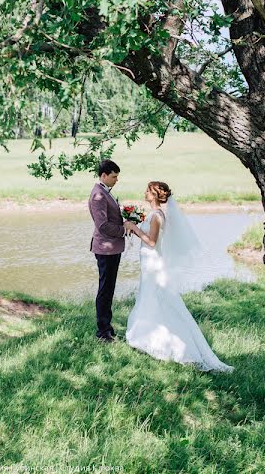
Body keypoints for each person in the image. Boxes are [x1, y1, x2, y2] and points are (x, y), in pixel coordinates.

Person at [124, 181, 233, 371]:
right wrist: (135, 227)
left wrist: (134, 227)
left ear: (156, 195)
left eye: (148, 191)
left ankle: (170, 342)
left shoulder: (157, 216)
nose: (145, 193)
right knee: (149, 297)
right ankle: (147, 335)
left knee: (158, 299)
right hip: (148, 262)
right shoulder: (153, 214)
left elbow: (151, 242)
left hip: (153, 263)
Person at [87, 159, 137, 342]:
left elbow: (111, 219)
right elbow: (103, 226)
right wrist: (124, 229)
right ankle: (103, 332)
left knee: (108, 289)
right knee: (105, 290)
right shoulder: (98, 195)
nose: (117, 180)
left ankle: (107, 328)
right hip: (105, 249)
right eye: (114, 176)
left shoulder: (104, 192)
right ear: (104, 175)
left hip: (111, 248)